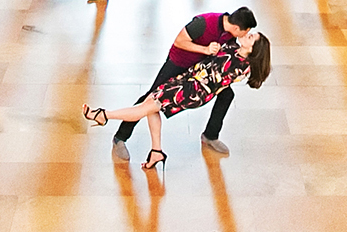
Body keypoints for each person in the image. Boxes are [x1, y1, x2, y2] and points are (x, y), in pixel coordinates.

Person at [86, 31, 271, 169]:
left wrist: (211, 52)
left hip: (190, 90)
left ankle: (103, 115)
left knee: (147, 106)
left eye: (251, 38)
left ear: (253, 50)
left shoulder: (239, 66)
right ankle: (156, 152)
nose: (247, 35)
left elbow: (214, 75)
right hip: (185, 80)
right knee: (151, 106)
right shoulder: (233, 47)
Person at [110, 9, 258, 161]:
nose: (246, 34)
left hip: (199, 70)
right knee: (150, 97)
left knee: (227, 94)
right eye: (247, 31)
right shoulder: (204, 23)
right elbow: (179, 41)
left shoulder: (230, 36)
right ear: (236, 28)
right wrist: (205, 50)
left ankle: (210, 135)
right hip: (178, 62)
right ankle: (120, 137)